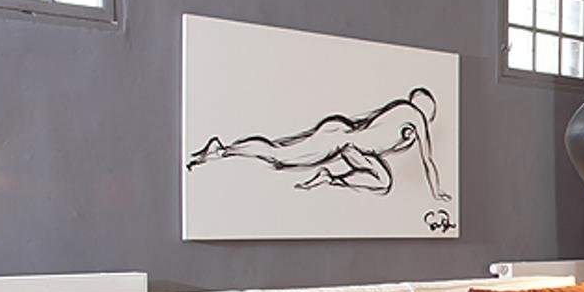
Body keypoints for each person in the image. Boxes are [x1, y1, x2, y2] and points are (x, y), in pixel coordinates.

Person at [187, 87, 449, 201]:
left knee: (383, 181)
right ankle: (223, 149)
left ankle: (329, 178)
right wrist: (436, 192)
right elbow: (428, 160)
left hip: (348, 142)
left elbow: (366, 128)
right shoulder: (415, 116)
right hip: (341, 139)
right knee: (280, 157)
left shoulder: (401, 114)